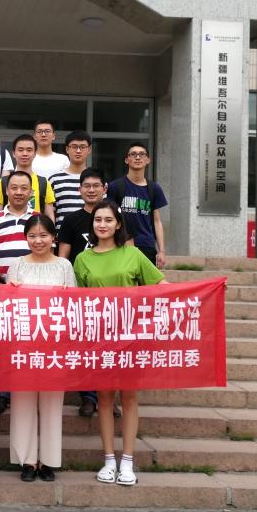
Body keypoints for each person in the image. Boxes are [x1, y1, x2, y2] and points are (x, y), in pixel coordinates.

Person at [74, 199, 167, 487]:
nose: (102, 225)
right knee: (103, 399)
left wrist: (202, 290)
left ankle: (127, 461)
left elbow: (160, 286)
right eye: (98, 220)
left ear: (118, 224)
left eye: (108, 220)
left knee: (129, 398)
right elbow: (76, 302)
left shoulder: (133, 254)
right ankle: (108, 460)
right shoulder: (82, 259)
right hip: (99, 338)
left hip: (130, 337)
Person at [7, 214, 75, 482]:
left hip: (55, 345)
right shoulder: (17, 265)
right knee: (22, 402)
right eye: (32, 236)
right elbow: (8, 305)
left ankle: (48, 460)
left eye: (44, 235)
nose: (38, 241)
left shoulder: (64, 266)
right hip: (23, 344)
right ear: (26, 238)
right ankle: (26, 460)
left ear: (53, 238)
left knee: (52, 404)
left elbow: (74, 306)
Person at [57, 168, 111, 418]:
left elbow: (129, 250)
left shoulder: (115, 218)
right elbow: (63, 257)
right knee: (85, 347)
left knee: (109, 348)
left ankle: (108, 396)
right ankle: (88, 396)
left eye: (95, 185)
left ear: (104, 188)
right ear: (79, 190)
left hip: (111, 294)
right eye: (86, 186)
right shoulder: (71, 220)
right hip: (80, 294)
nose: (91, 190)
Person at [0, 170, 40, 414]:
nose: (19, 192)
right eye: (14, 188)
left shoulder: (39, 220)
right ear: (6, 191)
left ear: (31, 192)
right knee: (2, 343)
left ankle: (26, 389)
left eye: (23, 188)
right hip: (2, 291)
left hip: (33, 293)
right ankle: (0, 393)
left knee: (27, 343)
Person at [106, 141, 168, 269]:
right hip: (120, 245)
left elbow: (157, 220)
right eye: (133, 154)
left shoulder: (154, 188)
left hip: (147, 245)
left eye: (141, 154)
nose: (138, 157)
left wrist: (161, 250)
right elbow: (109, 216)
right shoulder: (115, 186)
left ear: (148, 160)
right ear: (126, 160)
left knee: (146, 282)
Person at [0, 134, 55, 219]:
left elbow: (50, 216)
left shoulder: (43, 182)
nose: (25, 154)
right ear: (14, 153)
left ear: (35, 154)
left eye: (29, 150)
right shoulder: (4, 182)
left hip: (35, 226)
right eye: (20, 150)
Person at [48, 131, 92, 231]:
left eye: (82, 147)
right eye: (74, 146)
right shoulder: (54, 180)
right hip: (62, 235)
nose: (78, 151)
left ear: (89, 149)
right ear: (67, 149)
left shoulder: (96, 180)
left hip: (91, 236)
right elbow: (50, 213)